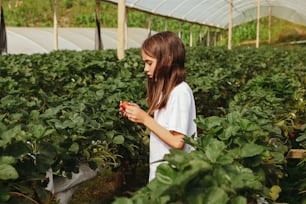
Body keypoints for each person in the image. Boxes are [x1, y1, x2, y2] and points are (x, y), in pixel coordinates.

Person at [120, 31, 197, 182]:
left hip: (175, 177)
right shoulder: (166, 90)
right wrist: (137, 115)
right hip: (165, 174)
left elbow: (177, 142)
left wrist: (145, 119)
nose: (145, 69)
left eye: (149, 63)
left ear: (167, 61)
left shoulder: (179, 92)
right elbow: (165, 129)